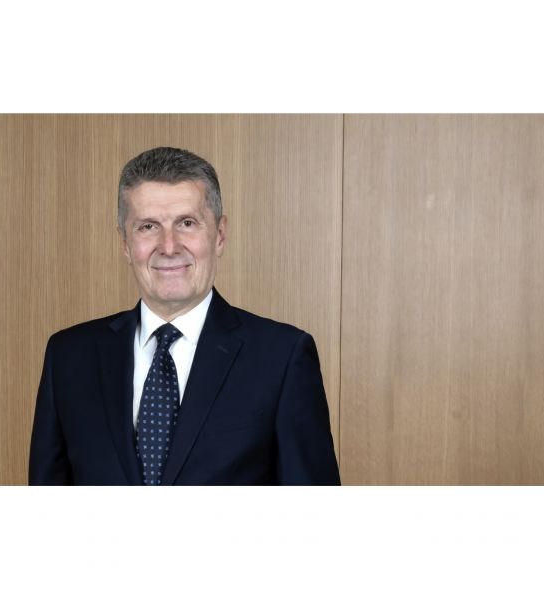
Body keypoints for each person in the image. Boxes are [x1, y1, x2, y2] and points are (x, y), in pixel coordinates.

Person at [28, 146, 340, 485]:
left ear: (219, 235)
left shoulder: (282, 357)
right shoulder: (69, 357)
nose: (169, 246)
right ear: (125, 244)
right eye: (148, 226)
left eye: (187, 223)